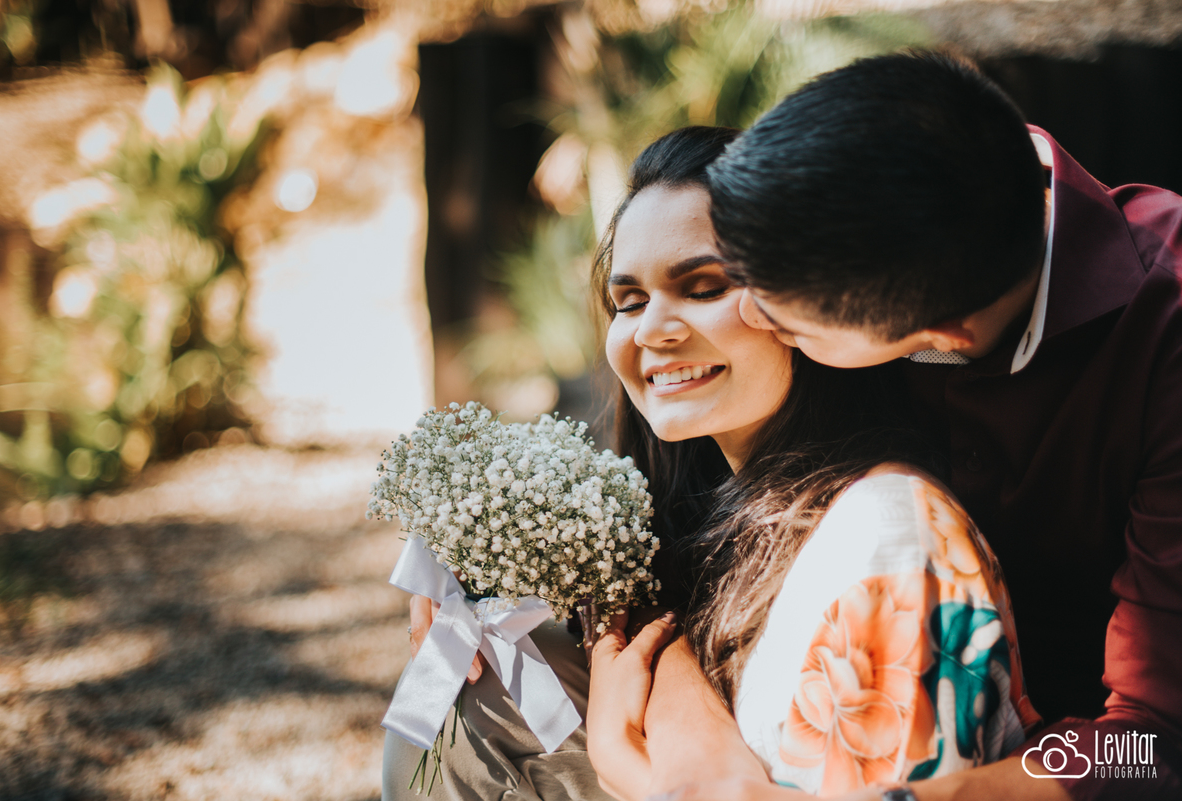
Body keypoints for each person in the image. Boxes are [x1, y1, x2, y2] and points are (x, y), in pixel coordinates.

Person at [383, 126, 1039, 800]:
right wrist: (477, 563)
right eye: (629, 300)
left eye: (703, 287)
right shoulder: (698, 519)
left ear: (808, 303)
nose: (651, 329)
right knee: (473, 670)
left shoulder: (888, 534)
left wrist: (638, 772)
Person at [667, 50, 1182, 801]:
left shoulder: (1164, 343)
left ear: (941, 336)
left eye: (787, 324)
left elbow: (1152, 745)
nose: (742, 319)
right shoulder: (861, 219)